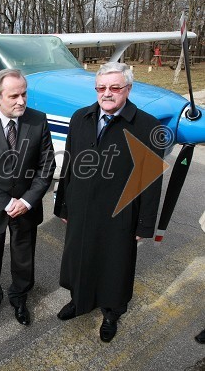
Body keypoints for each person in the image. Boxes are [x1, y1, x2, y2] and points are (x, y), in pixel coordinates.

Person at [54, 62, 163, 342]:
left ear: (128, 89)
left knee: (115, 264)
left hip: (121, 212)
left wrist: (145, 224)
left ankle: (112, 312)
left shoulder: (147, 126)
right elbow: (69, 162)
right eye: (101, 87)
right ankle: (80, 301)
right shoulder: (81, 117)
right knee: (80, 258)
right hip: (82, 207)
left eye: (115, 87)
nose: (107, 93)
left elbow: (151, 183)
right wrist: (63, 204)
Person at [0, 68, 56, 327]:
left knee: (24, 258)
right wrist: (5, 202)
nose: (22, 101)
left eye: (24, 94)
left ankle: (19, 297)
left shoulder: (38, 120)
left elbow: (46, 166)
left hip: (27, 207)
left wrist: (26, 201)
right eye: (14, 95)